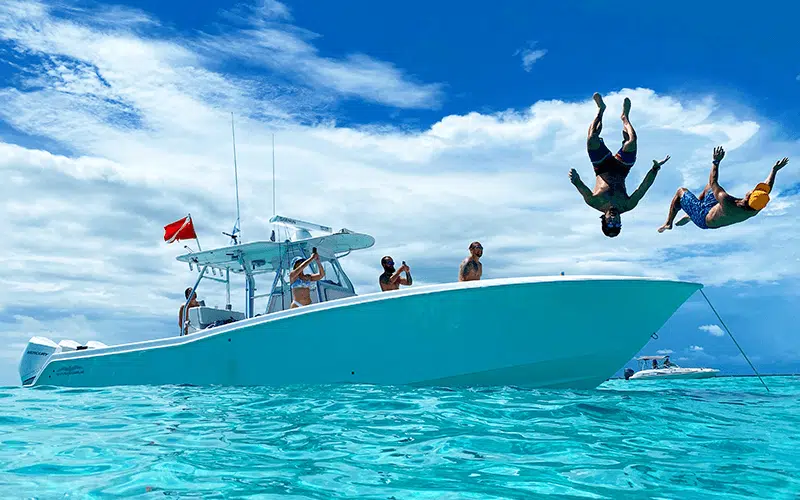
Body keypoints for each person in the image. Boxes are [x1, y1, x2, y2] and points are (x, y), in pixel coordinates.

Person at [569, 92, 671, 237]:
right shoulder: (627, 205)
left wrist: (575, 180)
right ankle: (625, 118)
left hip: (601, 166)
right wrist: (655, 168)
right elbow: (643, 188)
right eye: (617, 223)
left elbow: (579, 184)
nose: (614, 219)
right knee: (632, 141)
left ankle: (600, 109)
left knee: (592, 138)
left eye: (610, 223)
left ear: (604, 221)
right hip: (622, 169)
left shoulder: (594, 202)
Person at [658, 146, 790, 232]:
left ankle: (669, 223)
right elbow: (768, 188)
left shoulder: (726, 201)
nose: (751, 190)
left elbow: (713, 180)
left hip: (703, 219)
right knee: (709, 189)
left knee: (681, 191)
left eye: (753, 191)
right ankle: (689, 213)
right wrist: (774, 171)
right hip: (716, 212)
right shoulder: (756, 207)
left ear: (749, 196)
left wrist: (716, 161)